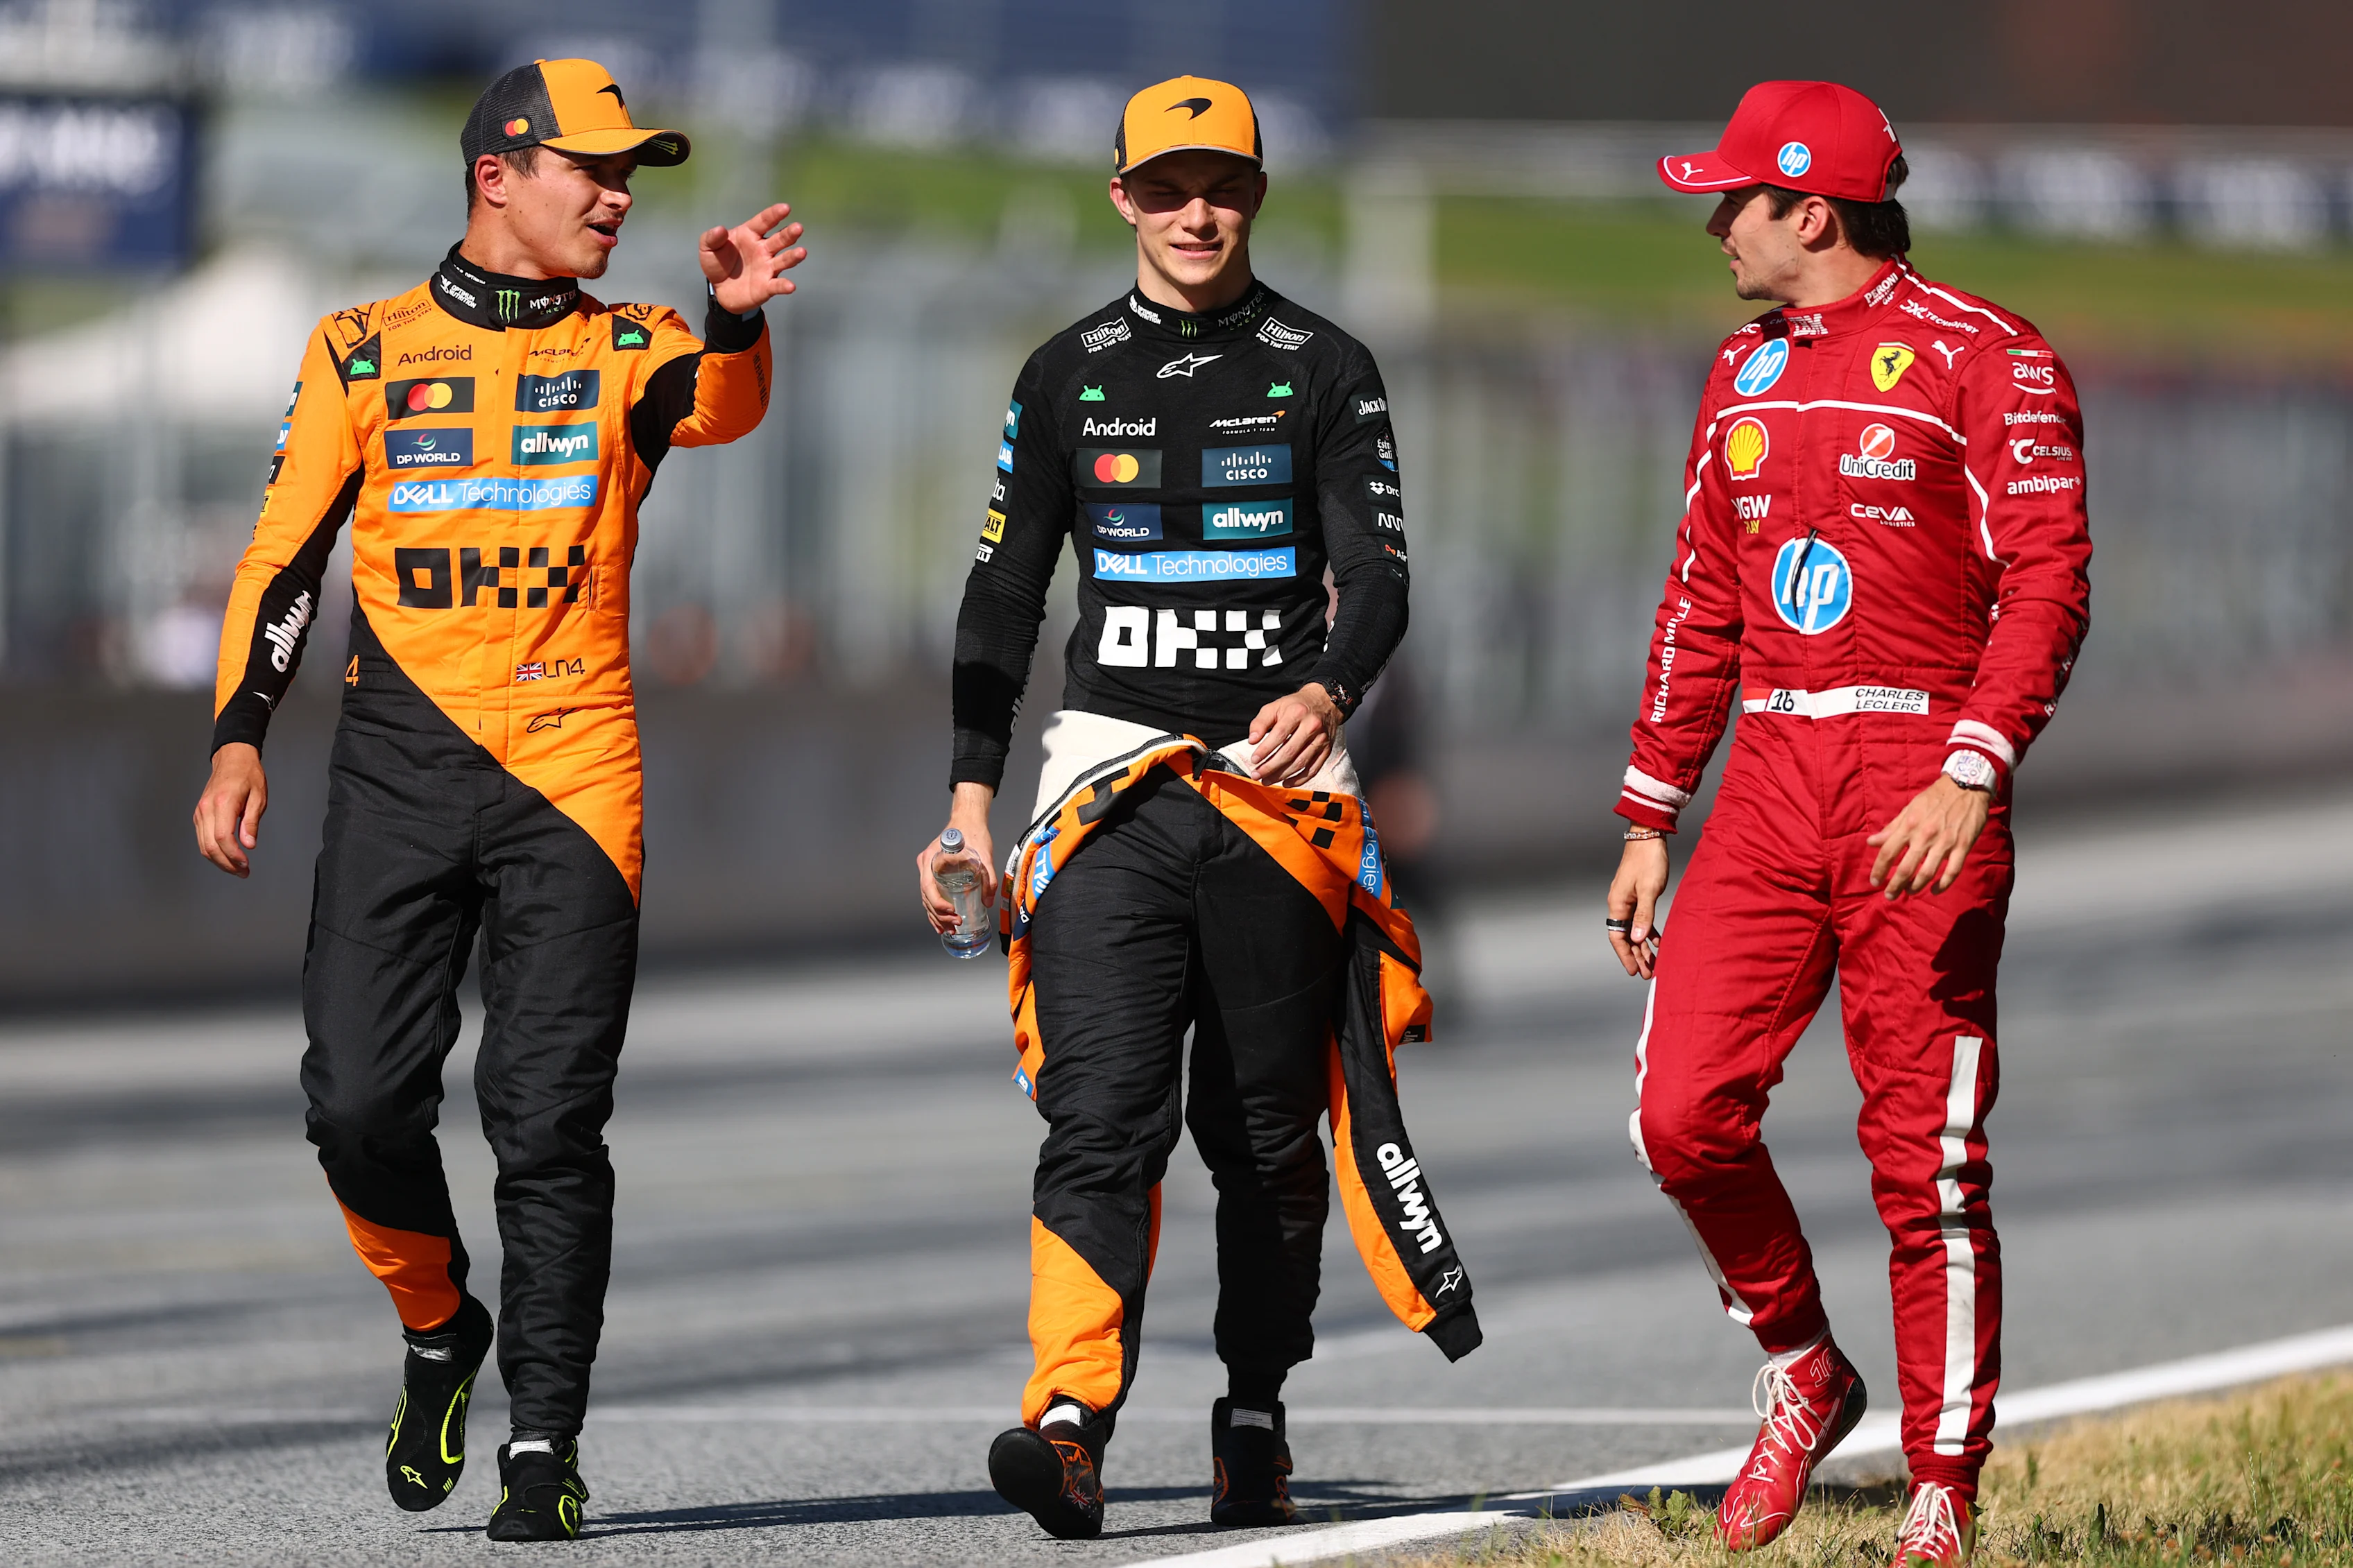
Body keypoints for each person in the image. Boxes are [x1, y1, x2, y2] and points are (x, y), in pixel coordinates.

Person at [189, 58, 805, 1542]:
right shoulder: (359, 348)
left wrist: (735, 313)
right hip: (399, 771)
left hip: (574, 778)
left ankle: (544, 1439)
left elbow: (720, 409)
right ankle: (435, 1319)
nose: (617, 197)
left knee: (544, 1119)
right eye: (590, 170)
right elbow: (284, 553)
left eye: (632, 177)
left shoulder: (634, 344)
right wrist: (238, 733)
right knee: (353, 1101)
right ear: (496, 175)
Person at [916, 75, 1480, 1540]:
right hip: (1106, 785)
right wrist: (970, 797)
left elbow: (1384, 576)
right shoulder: (1062, 372)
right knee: (1095, 1113)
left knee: (1264, 1137)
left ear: (1257, 193)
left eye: (1219, 183)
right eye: (1164, 186)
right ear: (1121, 198)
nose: (1193, 212)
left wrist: (1332, 690)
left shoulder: (1326, 364)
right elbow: (998, 594)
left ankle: (1251, 1410)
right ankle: (1070, 1419)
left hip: (1278, 794)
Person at [1605, 80, 2091, 1567]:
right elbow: (1699, 595)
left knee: (1923, 1158)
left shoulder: (1988, 359)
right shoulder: (1736, 372)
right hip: (1766, 780)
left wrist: (1971, 766)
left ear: (1809, 210)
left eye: (1735, 200)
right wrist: (1647, 812)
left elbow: (2049, 587)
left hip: (1917, 784)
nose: (1715, 226)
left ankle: (1940, 1477)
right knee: (1679, 1114)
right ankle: (1807, 1366)